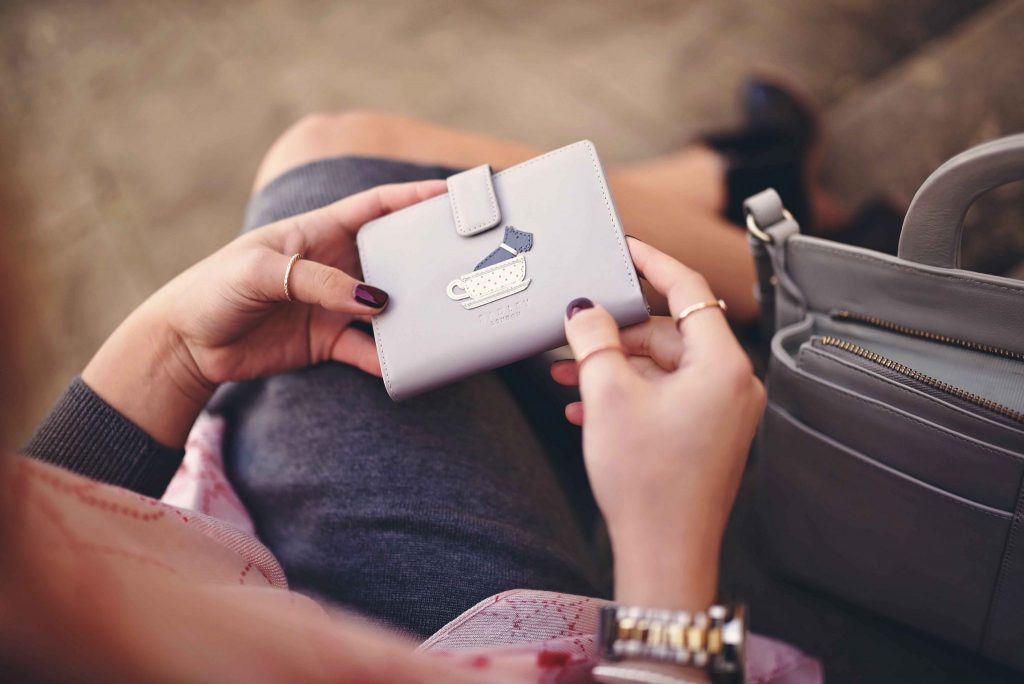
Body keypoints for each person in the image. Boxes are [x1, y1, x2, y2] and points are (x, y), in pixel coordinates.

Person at [4, 81, 833, 681]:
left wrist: (172, 351)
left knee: (325, 162)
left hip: (225, 552)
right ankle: (814, 282)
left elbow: (31, 532)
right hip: (445, 647)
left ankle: (741, 192)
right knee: (351, 170)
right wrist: (667, 553)